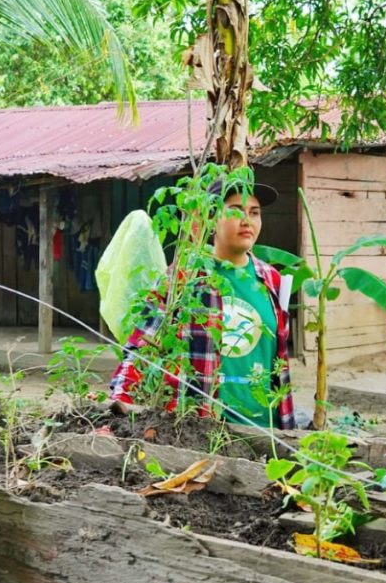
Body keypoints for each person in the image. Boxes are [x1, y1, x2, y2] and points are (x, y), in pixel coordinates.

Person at [108, 177, 295, 429]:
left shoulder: (270, 279)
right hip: (205, 429)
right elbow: (143, 346)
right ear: (211, 218)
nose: (247, 221)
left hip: (267, 429)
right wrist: (116, 408)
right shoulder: (185, 276)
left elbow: (279, 362)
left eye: (254, 213)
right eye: (235, 211)